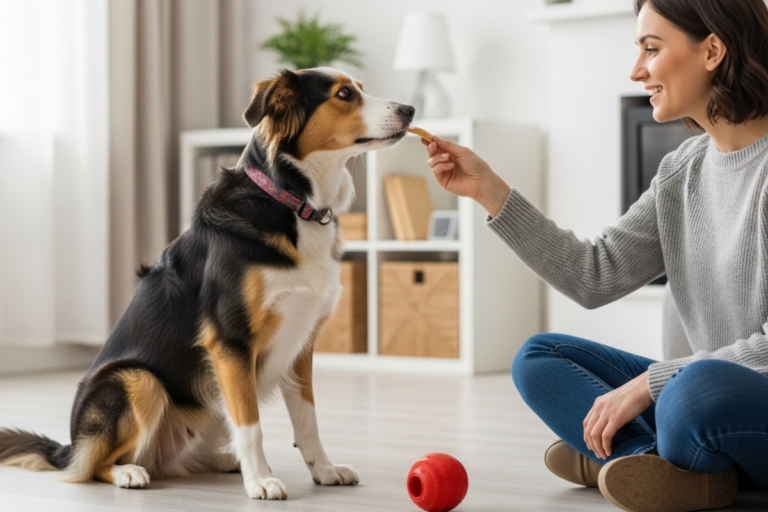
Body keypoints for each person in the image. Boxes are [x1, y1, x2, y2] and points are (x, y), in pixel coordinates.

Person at [423, 0, 768, 510]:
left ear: (713, 50)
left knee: (691, 392)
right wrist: (488, 190)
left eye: (651, 49)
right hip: (698, 397)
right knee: (539, 358)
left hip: (724, 398)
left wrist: (653, 383)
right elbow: (595, 275)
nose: (637, 71)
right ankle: (647, 462)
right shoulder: (682, 170)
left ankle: (632, 455)